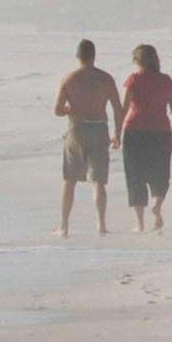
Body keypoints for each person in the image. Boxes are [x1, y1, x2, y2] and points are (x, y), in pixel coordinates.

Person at [51, 39, 119, 237]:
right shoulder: (106, 78)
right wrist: (118, 133)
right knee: (98, 181)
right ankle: (101, 225)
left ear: (78, 56)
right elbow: (118, 108)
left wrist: (68, 109)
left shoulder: (69, 78)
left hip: (76, 129)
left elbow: (56, 110)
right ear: (94, 55)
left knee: (70, 179)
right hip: (99, 129)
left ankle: (64, 226)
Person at [115, 44, 172, 232]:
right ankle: (157, 205)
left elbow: (124, 108)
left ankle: (139, 222)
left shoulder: (134, 79)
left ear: (138, 61)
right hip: (160, 131)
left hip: (135, 130)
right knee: (161, 171)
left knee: (135, 174)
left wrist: (117, 133)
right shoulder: (166, 81)